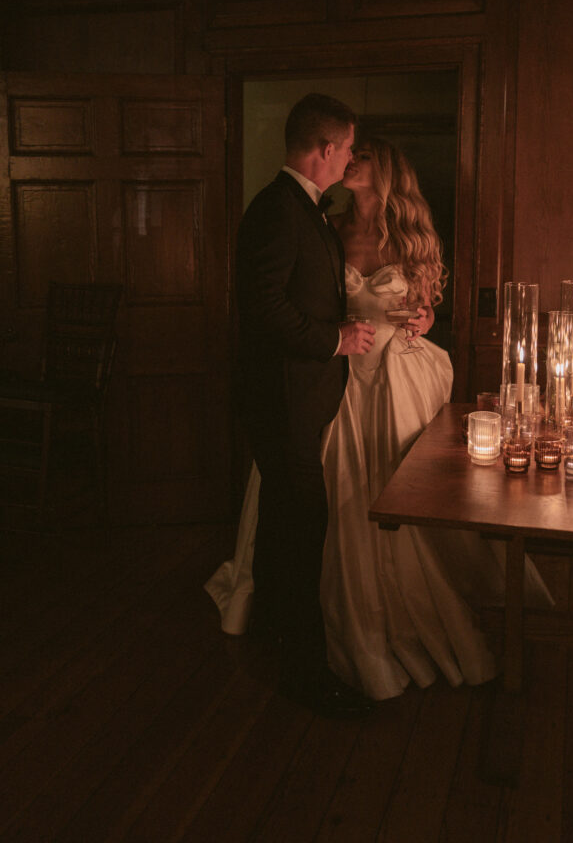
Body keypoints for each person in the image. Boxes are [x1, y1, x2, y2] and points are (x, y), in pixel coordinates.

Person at [207, 134, 552, 702]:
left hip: (394, 374)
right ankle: (312, 611)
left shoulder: (411, 235)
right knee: (323, 485)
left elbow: (427, 304)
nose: (350, 162)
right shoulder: (327, 227)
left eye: (361, 156)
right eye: (349, 152)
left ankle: (405, 603)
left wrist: (423, 316)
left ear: (383, 170)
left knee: (399, 487)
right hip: (335, 373)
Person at [229, 93, 376, 719]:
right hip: (283, 402)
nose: (347, 160)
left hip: (300, 401)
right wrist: (334, 339)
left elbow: (299, 294)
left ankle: (269, 631)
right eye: (345, 148)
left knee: (286, 530)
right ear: (324, 148)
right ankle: (305, 675)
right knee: (302, 533)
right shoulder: (276, 211)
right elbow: (262, 307)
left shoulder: (306, 210)